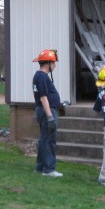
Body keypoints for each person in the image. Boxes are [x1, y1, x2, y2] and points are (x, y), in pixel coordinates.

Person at [32, 49, 62, 177]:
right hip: (46, 112)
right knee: (49, 140)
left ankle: (40, 167)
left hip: (43, 111)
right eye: (54, 62)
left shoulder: (38, 76)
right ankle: (49, 169)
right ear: (47, 63)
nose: (55, 65)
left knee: (44, 140)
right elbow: (43, 98)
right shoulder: (43, 77)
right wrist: (50, 116)